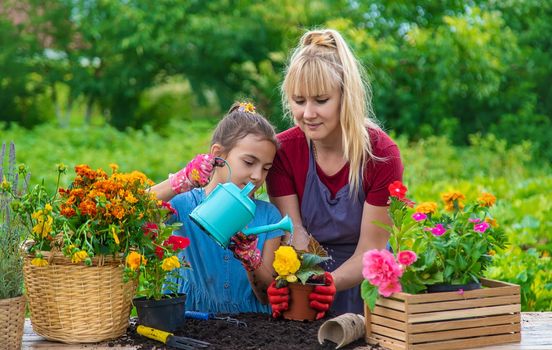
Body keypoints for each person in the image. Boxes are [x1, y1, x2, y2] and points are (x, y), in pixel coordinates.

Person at [266, 29, 404, 316]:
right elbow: (295, 234)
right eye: (299, 101)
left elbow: (370, 249)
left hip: (367, 288)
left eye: (321, 100)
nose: (308, 113)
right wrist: (300, 284)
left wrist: (329, 283)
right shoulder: (283, 152)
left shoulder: (380, 155)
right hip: (308, 282)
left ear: (346, 97)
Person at [151, 102, 285, 314]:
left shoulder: (268, 217)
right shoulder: (182, 204)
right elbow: (133, 210)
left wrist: (252, 261)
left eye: (266, 168)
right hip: (191, 319)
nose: (257, 176)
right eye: (249, 162)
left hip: (251, 326)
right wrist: (179, 181)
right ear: (218, 155)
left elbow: (266, 296)